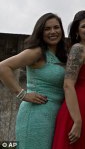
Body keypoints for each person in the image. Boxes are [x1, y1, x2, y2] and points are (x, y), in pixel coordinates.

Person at [0, 13, 67, 149]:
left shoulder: (62, 56)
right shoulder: (36, 52)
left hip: (55, 117)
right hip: (36, 117)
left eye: (56, 27)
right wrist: (22, 94)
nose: (53, 32)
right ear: (40, 32)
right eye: (47, 29)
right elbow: (3, 67)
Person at [52, 10, 85, 149]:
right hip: (77, 111)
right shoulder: (78, 49)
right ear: (77, 31)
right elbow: (68, 85)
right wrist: (77, 120)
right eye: (84, 26)